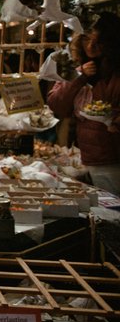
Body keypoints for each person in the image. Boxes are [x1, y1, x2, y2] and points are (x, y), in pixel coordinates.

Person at [47, 12, 120, 195]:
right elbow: (57, 104)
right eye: (86, 39)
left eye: (99, 41)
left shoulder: (114, 72)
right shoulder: (73, 66)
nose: (91, 46)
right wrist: (79, 76)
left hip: (111, 159)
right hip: (84, 157)